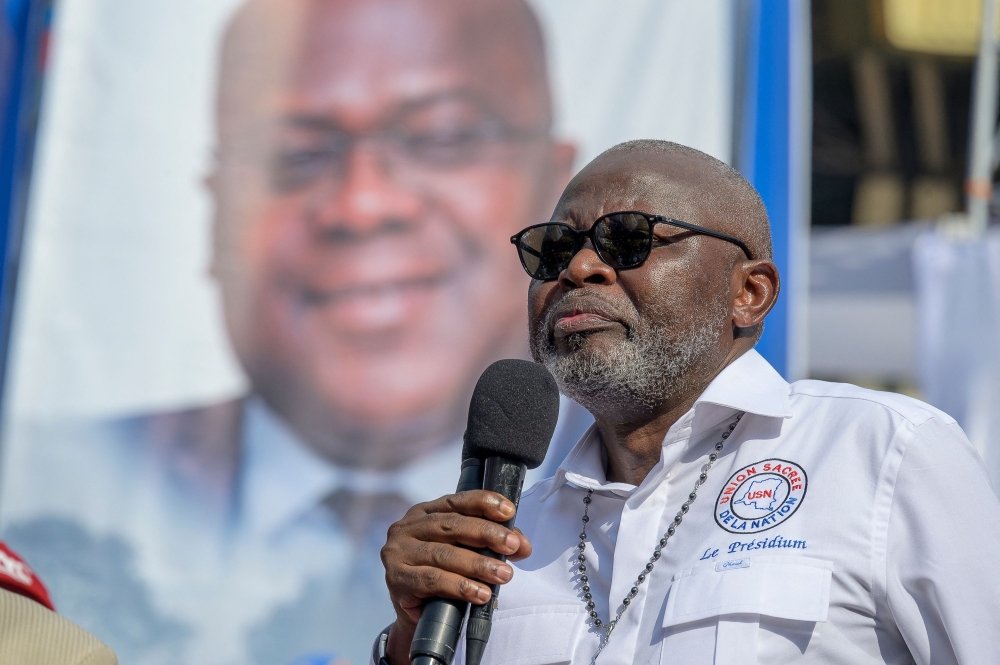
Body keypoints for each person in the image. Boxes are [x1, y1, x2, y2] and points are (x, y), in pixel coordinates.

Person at [1, 1, 586, 664]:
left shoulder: (625, 502)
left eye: (442, 137)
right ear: (216, 208)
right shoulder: (66, 476)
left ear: (554, 183)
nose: (363, 204)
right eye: (296, 154)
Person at [378, 140, 1000, 665]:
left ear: (749, 293)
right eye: (554, 249)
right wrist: (409, 639)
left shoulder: (881, 454)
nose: (580, 268)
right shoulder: (507, 541)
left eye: (628, 239)